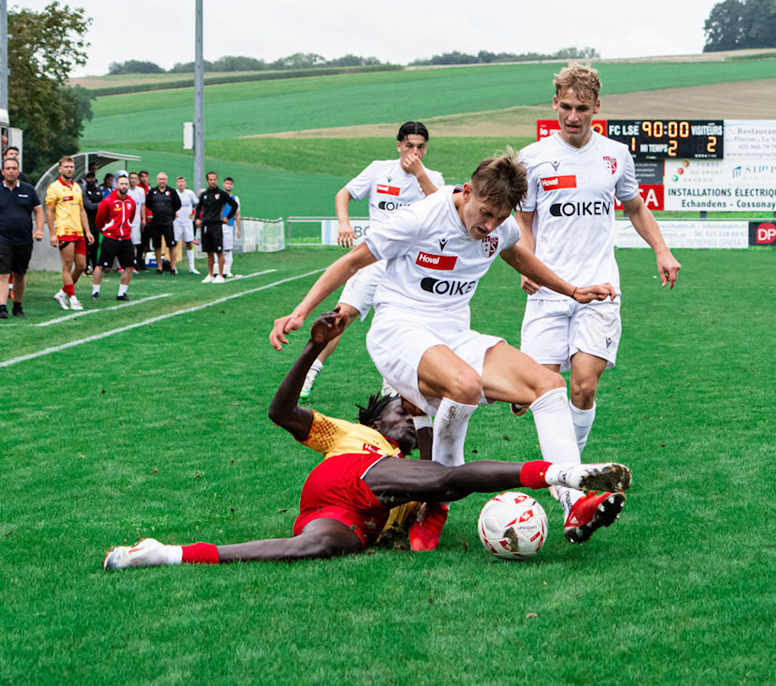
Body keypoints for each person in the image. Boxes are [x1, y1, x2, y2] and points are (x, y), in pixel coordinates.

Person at [269, 151, 626, 549]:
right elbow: (354, 260)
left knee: (548, 385)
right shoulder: (422, 217)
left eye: (500, 217)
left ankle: (574, 503)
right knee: (465, 385)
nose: (489, 225)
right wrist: (300, 311)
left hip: (453, 333)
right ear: (467, 191)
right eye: (486, 213)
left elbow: (516, 253)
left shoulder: (499, 227)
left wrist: (573, 290)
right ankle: (436, 503)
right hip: (398, 329)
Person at [105, 309, 632, 568]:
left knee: (305, 549)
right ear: (378, 419)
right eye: (399, 413)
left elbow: (438, 463)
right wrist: (313, 350)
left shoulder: (408, 458)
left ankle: (166, 554)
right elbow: (280, 411)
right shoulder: (352, 434)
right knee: (448, 480)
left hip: (352, 518)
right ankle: (564, 475)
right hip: (352, 475)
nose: (407, 418)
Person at [517, 61, 682, 454]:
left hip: (600, 288)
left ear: (597, 108)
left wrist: (662, 250)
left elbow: (636, 207)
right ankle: (567, 471)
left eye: (583, 108)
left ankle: (569, 474)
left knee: (583, 386)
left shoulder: (615, 155)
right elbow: (523, 218)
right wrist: (526, 262)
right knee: (536, 392)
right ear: (555, 103)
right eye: (567, 107)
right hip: (549, 289)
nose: (573, 116)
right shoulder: (533, 157)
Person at [305, 121, 443, 396]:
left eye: (420, 147)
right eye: (409, 146)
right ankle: (308, 373)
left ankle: (391, 388)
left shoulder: (432, 178)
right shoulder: (379, 170)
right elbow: (343, 193)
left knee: (400, 327)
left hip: (410, 266)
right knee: (342, 315)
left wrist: (419, 175)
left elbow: (442, 208)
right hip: (374, 259)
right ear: (398, 145)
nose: (414, 152)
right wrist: (344, 223)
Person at [0, 154, 43, 319]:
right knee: (2, 274)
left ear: (18, 171)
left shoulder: (28, 190)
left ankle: (17, 306)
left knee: (20, 274)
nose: (11, 171)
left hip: (24, 239)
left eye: (14, 168)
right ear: (3, 171)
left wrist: (39, 229)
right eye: (8, 169)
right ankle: (2, 307)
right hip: (2, 239)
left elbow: (39, 210)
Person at [45, 155, 89, 311]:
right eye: (66, 167)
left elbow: (82, 209)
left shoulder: (77, 187)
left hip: (78, 231)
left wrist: (87, 230)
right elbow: (49, 211)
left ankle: (63, 292)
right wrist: (52, 233)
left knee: (81, 266)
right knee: (67, 265)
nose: (69, 169)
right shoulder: (54, 187)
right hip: (64, 231)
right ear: (60, 168)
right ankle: (73, 298)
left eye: (71, 167)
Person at [95, 172, 139, 302]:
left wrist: (127, 228)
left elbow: (131, 217)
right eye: (122, 184)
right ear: (116, 185)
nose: (124, 186)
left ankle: (122, 293)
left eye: (126, 184)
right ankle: (95, 291)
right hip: (111, 237)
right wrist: (105, 230)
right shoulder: (108, 201)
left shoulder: (131, 202)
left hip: (125, 238)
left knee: (129, 266)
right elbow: (99, 219)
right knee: (102, 265)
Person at [196, 171, 234, 283]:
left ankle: (221, 275)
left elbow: (234, 205)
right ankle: (210, 274)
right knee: (209, 252)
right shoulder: (204, 195)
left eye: (214, 179)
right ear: (207, 181)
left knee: (219, 250)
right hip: (206, 225)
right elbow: (198, 208)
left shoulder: (222, 194)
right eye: (210, 179)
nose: (213, 182)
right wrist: (198, 218)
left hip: (216, 225)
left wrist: (228, 217)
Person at [144, 172, 179, 275]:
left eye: (163, 179)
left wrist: (170, 213)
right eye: (160, 179)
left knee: (171, 245)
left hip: (168, 222)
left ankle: (173, 267)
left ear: (166, 180)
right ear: (157, 180)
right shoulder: (153, 191)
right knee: (157, 245)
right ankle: (159, 267)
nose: (162, 181)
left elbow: (177, 204)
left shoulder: (172, 192)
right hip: (156, 222)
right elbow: (148, 204)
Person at [172, 175, 200, 273]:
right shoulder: (174, 193)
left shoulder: (190, 193)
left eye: (182, 182)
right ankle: (173, 267)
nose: (181, 184)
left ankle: (191, 267)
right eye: (179, 182)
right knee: (174, 243)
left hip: (187, 222)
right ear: (176, 183)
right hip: (177, 222)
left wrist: (194, 215)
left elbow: (197, 204)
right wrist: (173, 214)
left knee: (189, 243)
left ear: (185, 183)